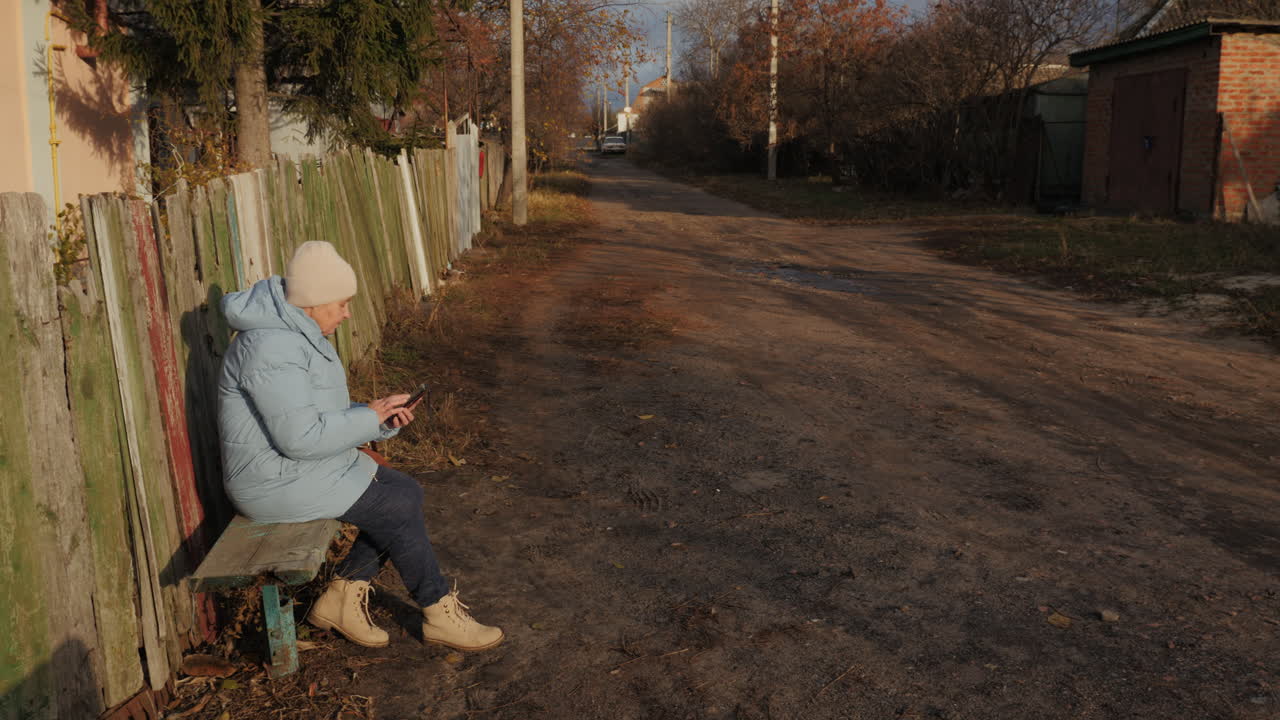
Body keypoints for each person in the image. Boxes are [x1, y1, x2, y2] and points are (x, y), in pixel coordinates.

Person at [216, 240, 503, 651]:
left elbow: (314, 415)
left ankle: (342, 598)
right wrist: (368, 417)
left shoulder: (295, 333)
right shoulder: (270, 347)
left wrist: (378, 416)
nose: (348, 313)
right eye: (341, 303)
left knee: (406, 490)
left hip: (297, 468)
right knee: (396, 508)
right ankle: (438, 612)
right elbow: (300, 438)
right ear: (313, 303)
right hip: (271, 481)